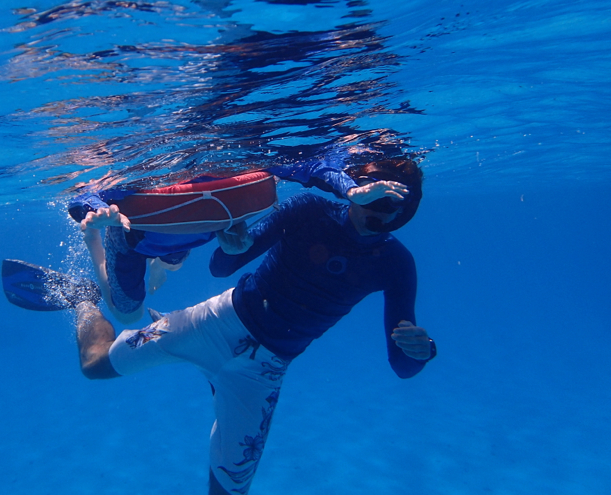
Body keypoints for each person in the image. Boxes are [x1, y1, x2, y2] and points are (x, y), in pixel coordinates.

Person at [68, 158, 435, 495]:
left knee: (229, 492)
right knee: (94, 366)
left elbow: (402, 367)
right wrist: (234, 246)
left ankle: (194, 360)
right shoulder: (310, 211)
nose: (380, 212)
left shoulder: (396, 264)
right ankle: (83, 300)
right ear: (356, 187)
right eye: (378, 196)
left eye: (394, 205)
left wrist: (421, 351)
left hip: (263, 372)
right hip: (214, 322)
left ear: (408, 211)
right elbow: (220, 267)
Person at [69, 155, 361, 324]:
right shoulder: (142, 172)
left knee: (172, 264)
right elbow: (83, 196)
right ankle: (92, 241)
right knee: (127, 316)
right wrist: (98, 213)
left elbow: (306, 166)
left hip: (184, 237)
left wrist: (350, 189)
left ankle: (159, 264)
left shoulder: (241, 161)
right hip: (132, 238)